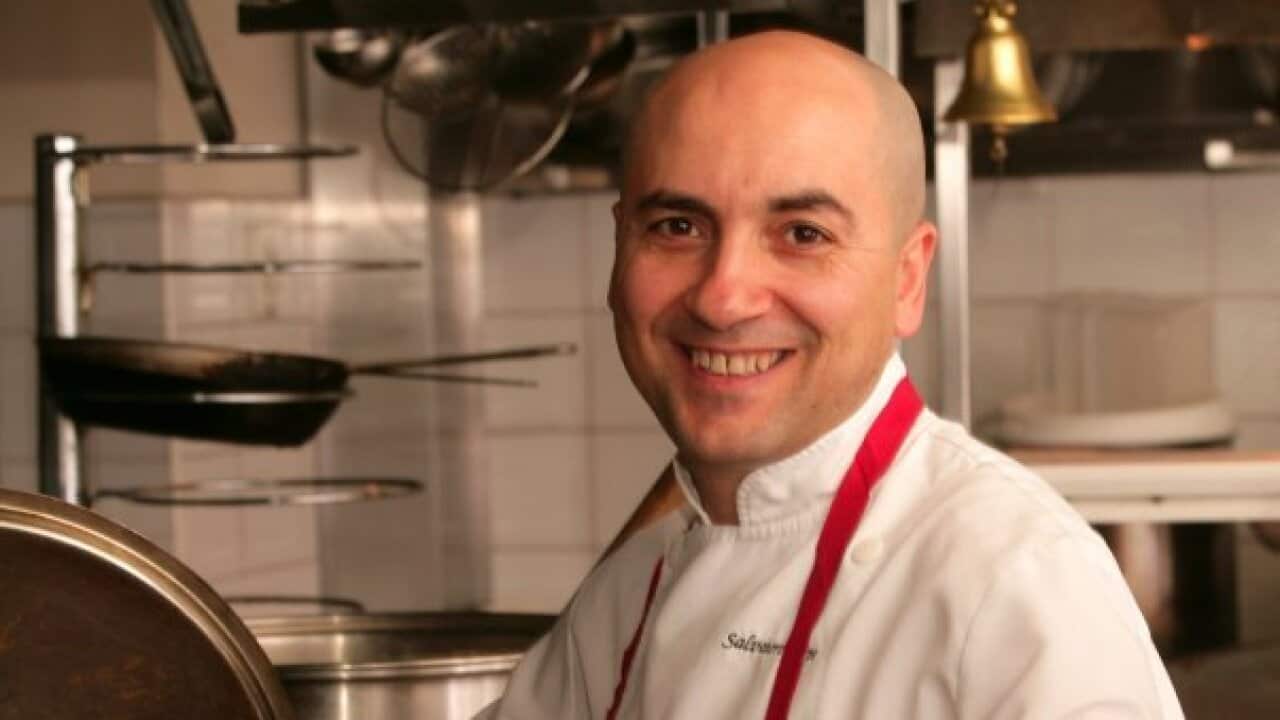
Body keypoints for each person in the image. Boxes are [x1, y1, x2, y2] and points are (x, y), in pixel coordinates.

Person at [478, 30, 1183, 719]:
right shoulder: (626, 595)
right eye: (677, 226)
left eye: (803, 234)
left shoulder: (1015, 585)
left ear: (908, 279)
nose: (723, 298)